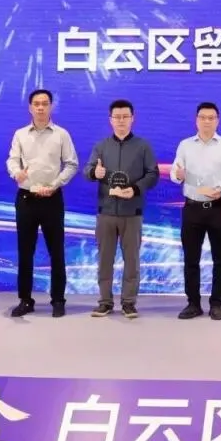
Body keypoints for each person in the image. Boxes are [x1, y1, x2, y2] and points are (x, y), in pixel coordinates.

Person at [6, 89, 78, 318]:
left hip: (52, 199)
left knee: (56, 251)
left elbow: (71, 164)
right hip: (26, 198)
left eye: (45, 103)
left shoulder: (61, 134)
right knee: (25, 252)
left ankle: (58, 300)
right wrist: (16, 173)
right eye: (36, 104)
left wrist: (55, 184)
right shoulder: (20, 134)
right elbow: (12, 160)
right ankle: (25, 300)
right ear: (30, 107)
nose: (40, 107)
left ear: (51, 107)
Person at [85, 99, 160, 319]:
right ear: (110, 120)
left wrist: (135, 189)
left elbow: (153, 174)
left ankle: (129, 303)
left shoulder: (143, 146)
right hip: (106, 212)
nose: (121, 121)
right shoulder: (101, 146)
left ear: (132, 118)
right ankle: (105, 302)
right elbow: (87, 170)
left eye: (125, 116)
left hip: (132, 213)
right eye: (117, 117)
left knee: (132, 261)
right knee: (104, 260)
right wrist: (94, 173)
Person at [171, 102, 221, 321]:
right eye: (203, 117)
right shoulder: (185, 145)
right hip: (192, 208)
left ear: (218, 121)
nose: (207, 121)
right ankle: (193, 303)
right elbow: (175, 171)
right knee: (191, 259)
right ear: (196, 120)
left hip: (218, 208)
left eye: (211, 118)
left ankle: (216, 303)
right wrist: (178, 176)